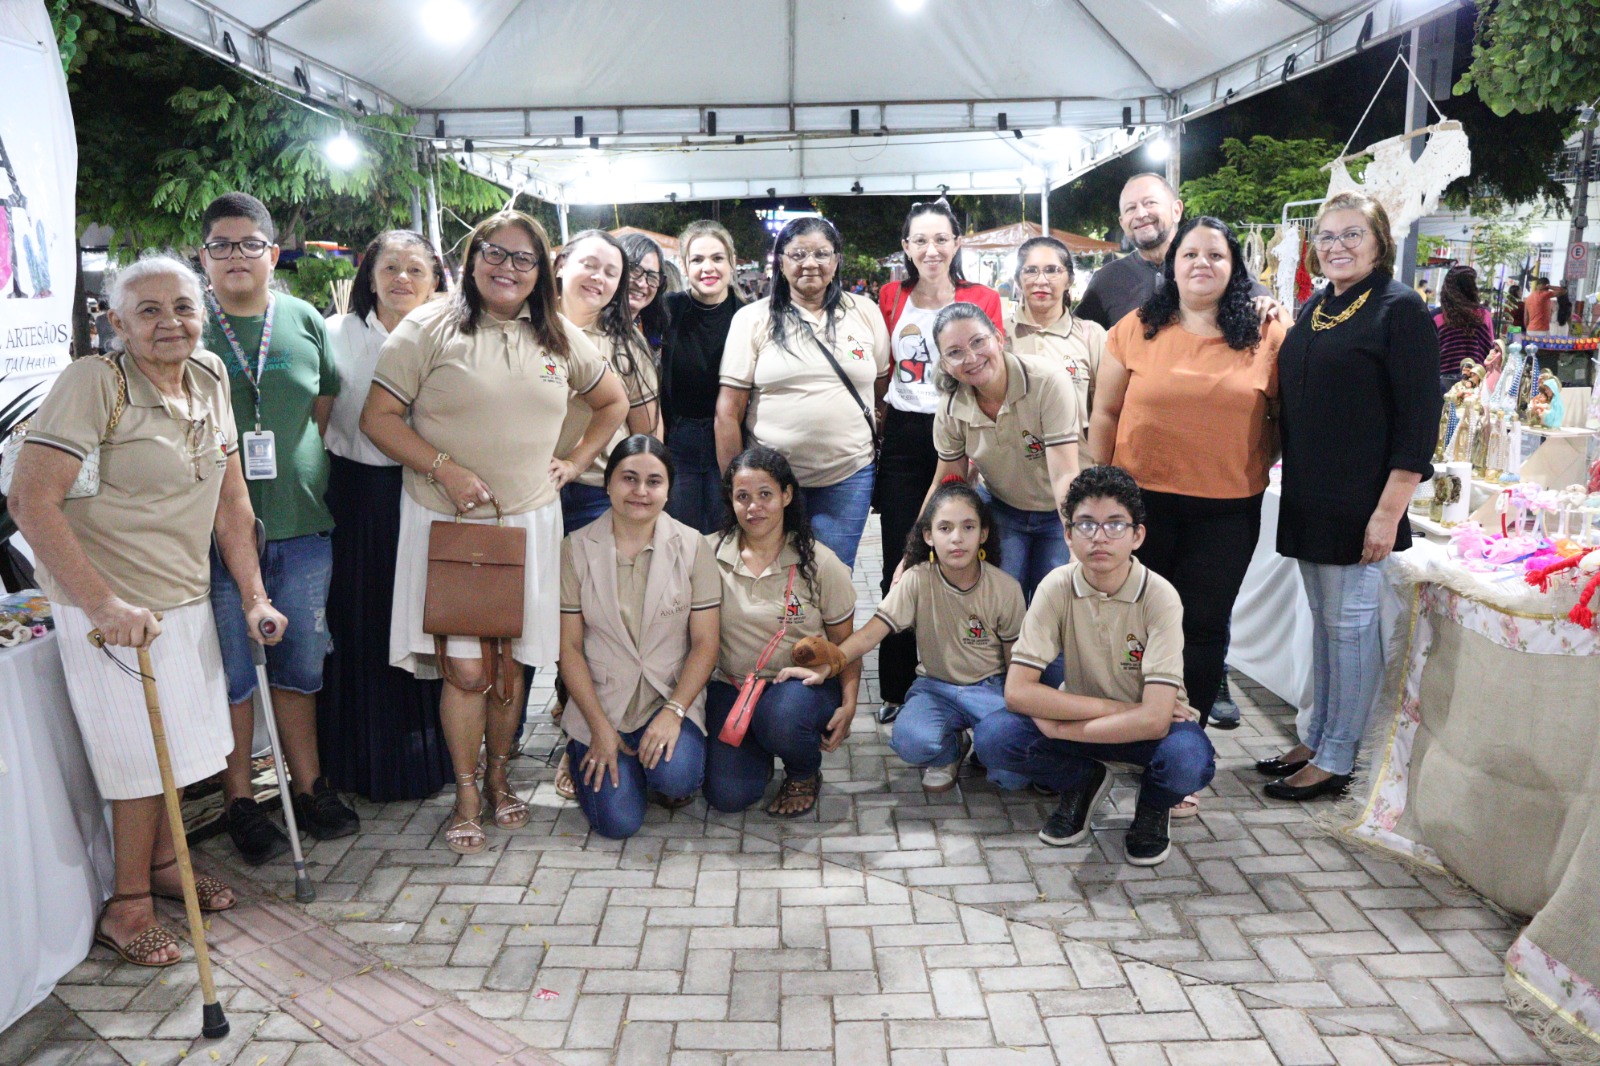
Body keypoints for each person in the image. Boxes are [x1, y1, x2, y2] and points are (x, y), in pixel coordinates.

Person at [9, 254, 289, 964]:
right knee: (139, 764)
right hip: (110, 613)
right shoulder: (93, 383)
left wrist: (254, 593)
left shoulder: (211, 378)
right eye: (150, 311)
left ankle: (166, 867)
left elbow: (232, 504)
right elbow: (30, 501)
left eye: (184, 308)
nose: (171, 323)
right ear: (117, 323)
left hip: (184, 601)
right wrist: (102, 604)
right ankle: (127, 905)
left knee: (182, 754)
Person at [361, 209, 629, 853]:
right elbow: (379, 418)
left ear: (542, 271)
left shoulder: (559, 335)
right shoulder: (428, 326)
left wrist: (576, 461)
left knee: (511, 667)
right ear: (473, 257)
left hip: (531, 521)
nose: (508, 268)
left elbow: (613, 402)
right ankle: (466, 792)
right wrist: (444, 470)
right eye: (495, 254)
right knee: (465, 670)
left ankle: (502, 778)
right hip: (449, 524)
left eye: (523, 259)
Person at [1256, 191, 1440, 801]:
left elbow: (1418, 425)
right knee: (1326, 627)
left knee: (1352, 627)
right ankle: (1317, 736)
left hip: (1364, 502)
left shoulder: (1400, 308)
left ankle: (1338, 760)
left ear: (1379, 241)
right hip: (1311, 494)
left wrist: (1389, 514)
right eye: (1327, 237)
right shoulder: (1318, 305)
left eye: (1351, 234)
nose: (1336, 246)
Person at [197, 192, 358, 863]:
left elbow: (322, 401)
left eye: (250, 243)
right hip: (211, 534)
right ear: (203, 256)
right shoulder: (189, 324)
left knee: (299, 665)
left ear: (273, 252)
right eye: (223, 245)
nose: (237, 256)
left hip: (300, 525)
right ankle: (240, 800)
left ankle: (308, 784)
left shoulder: (301, 319)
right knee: (235, 672)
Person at [1086, 216, 1286, 750]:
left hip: (1227, 510)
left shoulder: (1268, 333)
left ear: (1234, 266)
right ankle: (1128, 731)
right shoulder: (1135, 328)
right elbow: (1104, 414)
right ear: (1171, 266)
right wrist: (1095, 496)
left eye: (1215, 255)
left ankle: (1182, 743)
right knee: (1136, 623)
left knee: (1201, 628)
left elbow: (1289, 418)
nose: (1202, 264)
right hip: (1140, 508)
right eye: (1190, 254)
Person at [973, 466, 1214, 866]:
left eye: (1115, 525)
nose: (1099, 537)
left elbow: (1156, 721)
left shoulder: (1160, 597)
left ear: (1138, 535)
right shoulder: (1056, 586)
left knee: (1188, 761)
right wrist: (1119, 712)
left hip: (1144, 732)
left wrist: (1058, 723)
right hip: (1094, 715)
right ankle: (1084, 781)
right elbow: (1017, 692)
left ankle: (1152, 808)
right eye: (1086, 524)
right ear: (1068, 534)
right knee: (994, 736)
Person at [777, 479, 1028, 792]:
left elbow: (1016, 662)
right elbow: (870, 635)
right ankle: (950, 750)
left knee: (1011, 773)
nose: (957, 539)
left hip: (991, 687)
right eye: (945, 528)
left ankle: (990, 743)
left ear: (984, 534)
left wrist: (1017, 712)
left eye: (968, 527)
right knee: (910, 740)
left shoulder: (1005, 588)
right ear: (928, 536)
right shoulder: (916, 580)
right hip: (936, 687)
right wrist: (829, 665)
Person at [317, 229, 452, 803]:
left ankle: (431, 759)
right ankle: (356, 762)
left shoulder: (453, 335)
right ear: (368, 276)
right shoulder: (334, 335)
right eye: (390, 268)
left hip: (429, 492)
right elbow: (318, 422)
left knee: (427, 623)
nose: (402, 279)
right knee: (362, 624)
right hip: (358, 499)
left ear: (436, 280)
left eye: (416, 270)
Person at [873, 200, 1004, 722]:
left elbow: (990, 365)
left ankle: (974, 680)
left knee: (968, 559)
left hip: (968, 432)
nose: (931, 250)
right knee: (900, 562)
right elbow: (885, 371)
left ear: (956, 244)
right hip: (907, 437)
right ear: (906, 247)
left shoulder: (983, 298)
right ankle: (895, 689)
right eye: (919, 240)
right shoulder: (890, 296)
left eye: (941, 239)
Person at [558, 436, 719, 838]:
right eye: (629, 479)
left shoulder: (694, 546)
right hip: (603, 703)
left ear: (668, 490)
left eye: (654, 481)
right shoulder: (574, 548)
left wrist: (674, 712)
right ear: (608, 483)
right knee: (619, 824)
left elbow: (705, 644)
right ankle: (581, 750)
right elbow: (569, 649)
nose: (641, 492)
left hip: (666, 697)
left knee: (678, 776)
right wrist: (597, 728)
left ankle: (647, 767)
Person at [715, 217, 891, 569]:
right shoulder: (753, 319)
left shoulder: (864, 312)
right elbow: (728, 412)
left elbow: (882, 389)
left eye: (822, 253)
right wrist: (736, 482)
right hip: (771, 483)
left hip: (848, 477)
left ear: (837, 260)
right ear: (780, 261)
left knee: (835, 578)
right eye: (798, 254)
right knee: (775, 576)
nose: (810, 263)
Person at [703, 447, 859, 818]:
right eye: (742, 496)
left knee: (782, 718)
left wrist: (850, 705)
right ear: (730, 500)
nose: (753, 507)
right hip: (733, 686)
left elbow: (846, 645)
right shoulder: (706, 554)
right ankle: (757, 747)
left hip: (799, 692)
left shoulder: (820, 562)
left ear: (786, 496)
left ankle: (803, 772)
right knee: (728, 796)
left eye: (765, 494)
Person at [921, 303, 1080, 604]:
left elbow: (1065, 475)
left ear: (998, 337)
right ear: (944, 363)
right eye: (955, 352)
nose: (971, 358)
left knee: (1055, 608)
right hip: (1002, 509)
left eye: (978, 341)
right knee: (1002, 606)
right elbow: (948, 483)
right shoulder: (952, 406)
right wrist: (915, 551)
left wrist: (1076, 540)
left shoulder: (1046, 381)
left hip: (1058, 514)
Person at [554, 229, 661, 533]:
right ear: (562, 264)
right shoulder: (527, 325)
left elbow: (647, 430)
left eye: (611, 273)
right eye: (589, 265)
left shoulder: (626, 342)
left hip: (596, 490)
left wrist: (647, 492)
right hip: (529, 486)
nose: (598, 278)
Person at [661, 221, 744, 533]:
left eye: (717, 258)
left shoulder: (748, 316)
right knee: (683, 536)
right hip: (679, 440)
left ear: (732, 262)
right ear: (684, 265)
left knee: (727, 533)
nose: (707, 267)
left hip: (733, 438)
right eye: (697, 260)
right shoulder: (667, 310)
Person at [1006, 235, 1106, 451]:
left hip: (1078, 472)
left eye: (1052, 270)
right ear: (1017, 280)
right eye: (1031, 270)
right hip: (1012, 475)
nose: (1041, 280)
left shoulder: (1092, 335)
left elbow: (1106, 412)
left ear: (1069, 279)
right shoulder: (999, 336)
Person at [1076, 173, 1185, 329]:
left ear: (1176, 211)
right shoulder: (1106, 280)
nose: (1140, 214)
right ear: (1122, 223)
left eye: (1150, 203)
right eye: (1130, 208)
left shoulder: (1203, 270)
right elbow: (1078, 342)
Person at [1434, 265, 1497, 396]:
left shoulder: (1436, 317)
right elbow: (1490, 351)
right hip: (1476, 381)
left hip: (1442, 385)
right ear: (1473, 288)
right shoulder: (1484, 315)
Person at [619, 231, 670, 361]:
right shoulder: (590, 329)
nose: (641, 283)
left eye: (652, 276)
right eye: (634, 270)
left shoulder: (653, 329)